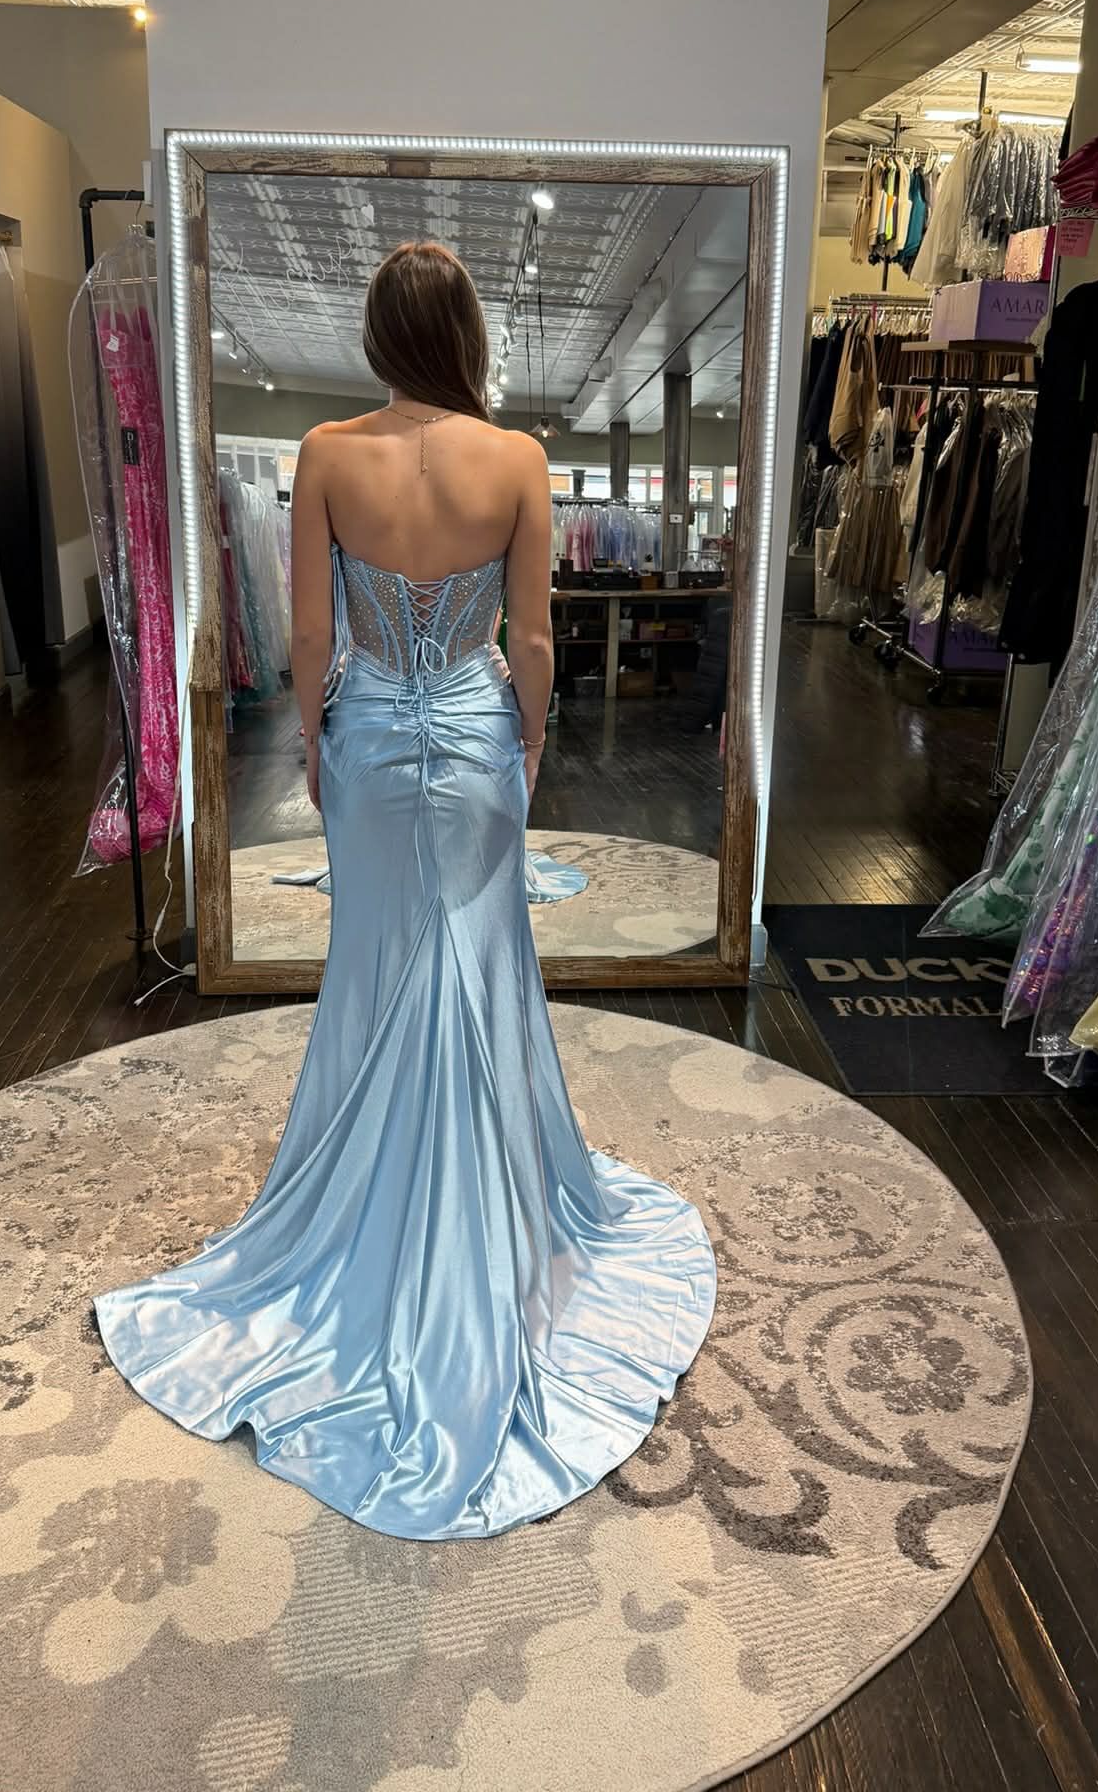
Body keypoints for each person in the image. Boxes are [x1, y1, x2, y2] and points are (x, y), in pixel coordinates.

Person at [95, 240, 716, 1541]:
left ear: (381, 338)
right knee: (485, 972)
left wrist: (319, 749)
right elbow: (535, 638)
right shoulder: (520, 461)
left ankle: (362, 1222)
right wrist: (530, 745)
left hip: (373, 742)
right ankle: (493, 1205)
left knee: (376, 972)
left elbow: (310, 635)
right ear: (469, 337)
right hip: (479, 740)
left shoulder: (327, 452)